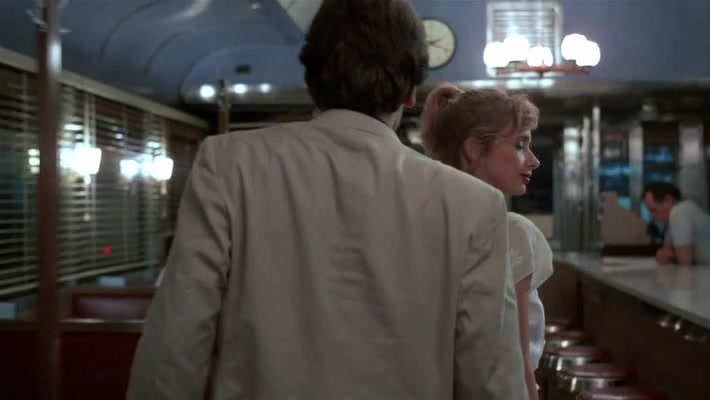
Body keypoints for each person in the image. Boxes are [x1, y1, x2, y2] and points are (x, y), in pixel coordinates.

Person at [127, 0, 527, 399]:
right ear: (410, 94)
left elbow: (175, 349)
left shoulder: (229, 165)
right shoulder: (473, 204)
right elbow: (491, 379)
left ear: (312, 79)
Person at [421, 84, 554, 400]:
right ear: (473, 150)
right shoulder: (512, 233)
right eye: (520, 145)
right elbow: (517, 361)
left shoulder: (424, 222)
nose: (533, 160)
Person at [642, 181, 710, 266]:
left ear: (668, 200)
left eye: (653, 210)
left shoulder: (680, 211)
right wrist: (667, 253)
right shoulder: (673, 218)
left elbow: (685, 260)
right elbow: (667, 251)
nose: (652, 216)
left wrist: (671, 254)